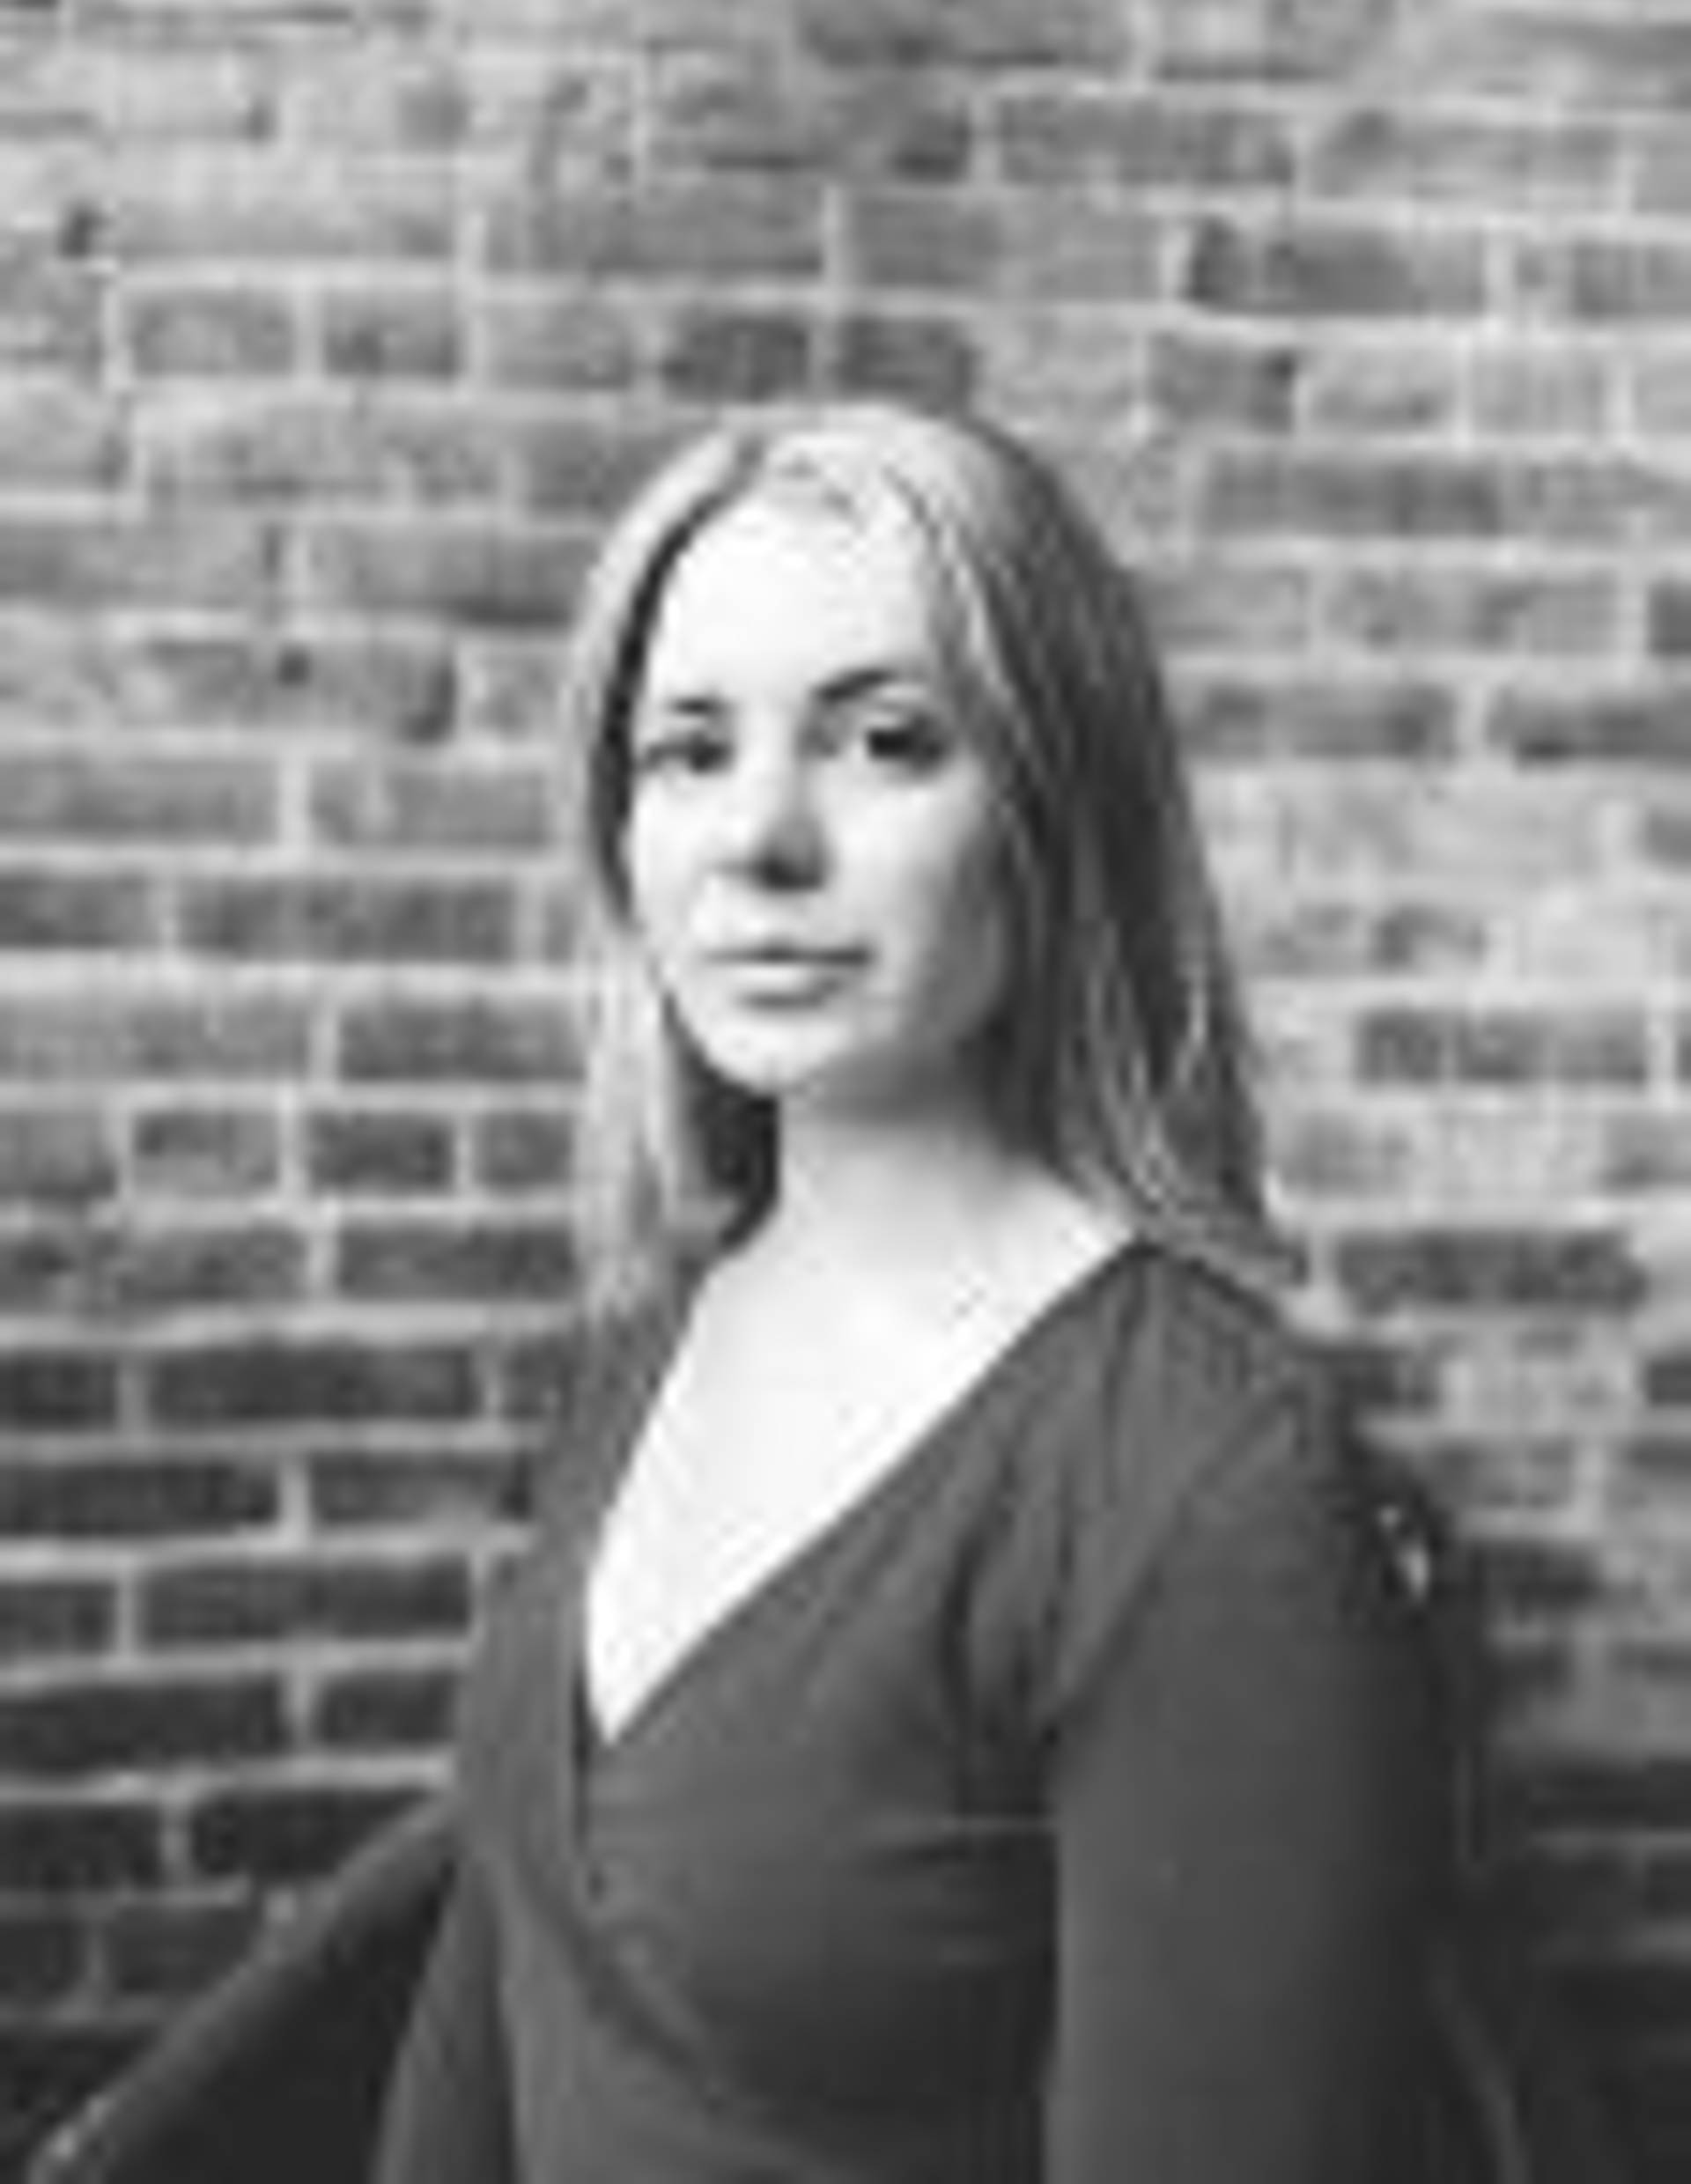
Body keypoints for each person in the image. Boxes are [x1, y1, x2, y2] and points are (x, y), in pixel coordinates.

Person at [363, 395, 1452, 2184]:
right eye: (688, 750)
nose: (759, 837)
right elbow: (498, 2011)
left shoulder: (1200, 1483)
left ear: (1054, 802)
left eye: (882, 739)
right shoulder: (665, 1333)